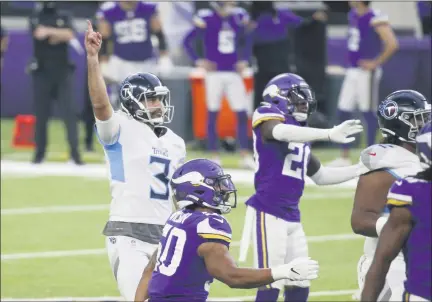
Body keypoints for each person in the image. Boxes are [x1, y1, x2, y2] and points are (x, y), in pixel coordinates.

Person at [238, 73, 369, 302]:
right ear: (278, 99)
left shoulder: (301, 131)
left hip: (292, 216)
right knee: (270, 284)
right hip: (269, 212)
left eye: (304, 101)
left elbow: (321, 176)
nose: (303, 105)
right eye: (297, 100)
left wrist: (360, 168)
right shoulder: (267, 115)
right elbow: (278, 132)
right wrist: (328, 133)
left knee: (300, 284)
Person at [84, 20, 186, 301]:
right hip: (128, 232)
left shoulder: (175, 142)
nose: (159, 105)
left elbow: (179, 195)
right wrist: (93, 59)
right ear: (132, 101)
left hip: (167, 235)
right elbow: (100, 105)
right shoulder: (118, 128)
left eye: (160, 100)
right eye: (151, 100)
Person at [135, 158, 320, 302]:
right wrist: (283, 272)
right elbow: (231, 276)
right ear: (198, 189)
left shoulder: (177, 218)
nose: (224, 188)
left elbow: (149, 269)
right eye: (217, 184)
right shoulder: (210, 225)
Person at [350, 90, 430, 301]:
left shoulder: (421, 157)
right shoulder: (385, 163)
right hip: (391, 263)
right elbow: (360, 220)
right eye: (418, 118)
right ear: (400, 124)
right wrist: (402, 226)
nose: (425, 123)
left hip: (419, 259)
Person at [183, 1, 254, 169]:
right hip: (214, 73)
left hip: (233, 72)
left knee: (242, 113)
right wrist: (198, 60)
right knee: (212, 112)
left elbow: (248, 39)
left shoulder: (239, 16)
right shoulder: (207, 18)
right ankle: (214, 154)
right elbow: (188, 41)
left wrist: (245, 59)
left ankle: (245, 154)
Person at [329, 1, 399, 167]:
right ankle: (344, 156)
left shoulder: (375, 17)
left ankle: (370, 156)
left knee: (368, 112)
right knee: (343, 110)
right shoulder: (353, 14)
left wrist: (376, 62)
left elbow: (392, 43)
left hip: (367, 73)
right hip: (352, 70)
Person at [29, 1, 82, 164]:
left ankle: (75, 154)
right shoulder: (36, 14)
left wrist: (50, 32)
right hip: (42, 71)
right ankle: (39, 154)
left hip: (63, 71)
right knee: (41, 115)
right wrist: (59, 33)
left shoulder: (64, 14)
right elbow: (38, 33)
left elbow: (70, 34)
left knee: (69, 114)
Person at [247, 1, 327, 110]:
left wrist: (313, 19)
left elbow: (301, 23)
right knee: (274, 90)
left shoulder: (277, 14)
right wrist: (313, 18)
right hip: (269, 61)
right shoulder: (256, 18)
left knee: (270, 91)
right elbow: (301, 23)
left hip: (273, 60)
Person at [96, 1, 173, 84]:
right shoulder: (109, 9)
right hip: (121, 62)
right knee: (121, 92)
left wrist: (164, 57)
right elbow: (104, 38)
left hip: (146, 61)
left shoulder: (148, 7)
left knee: (148, 93)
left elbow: (159, 33)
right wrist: (104, 62)